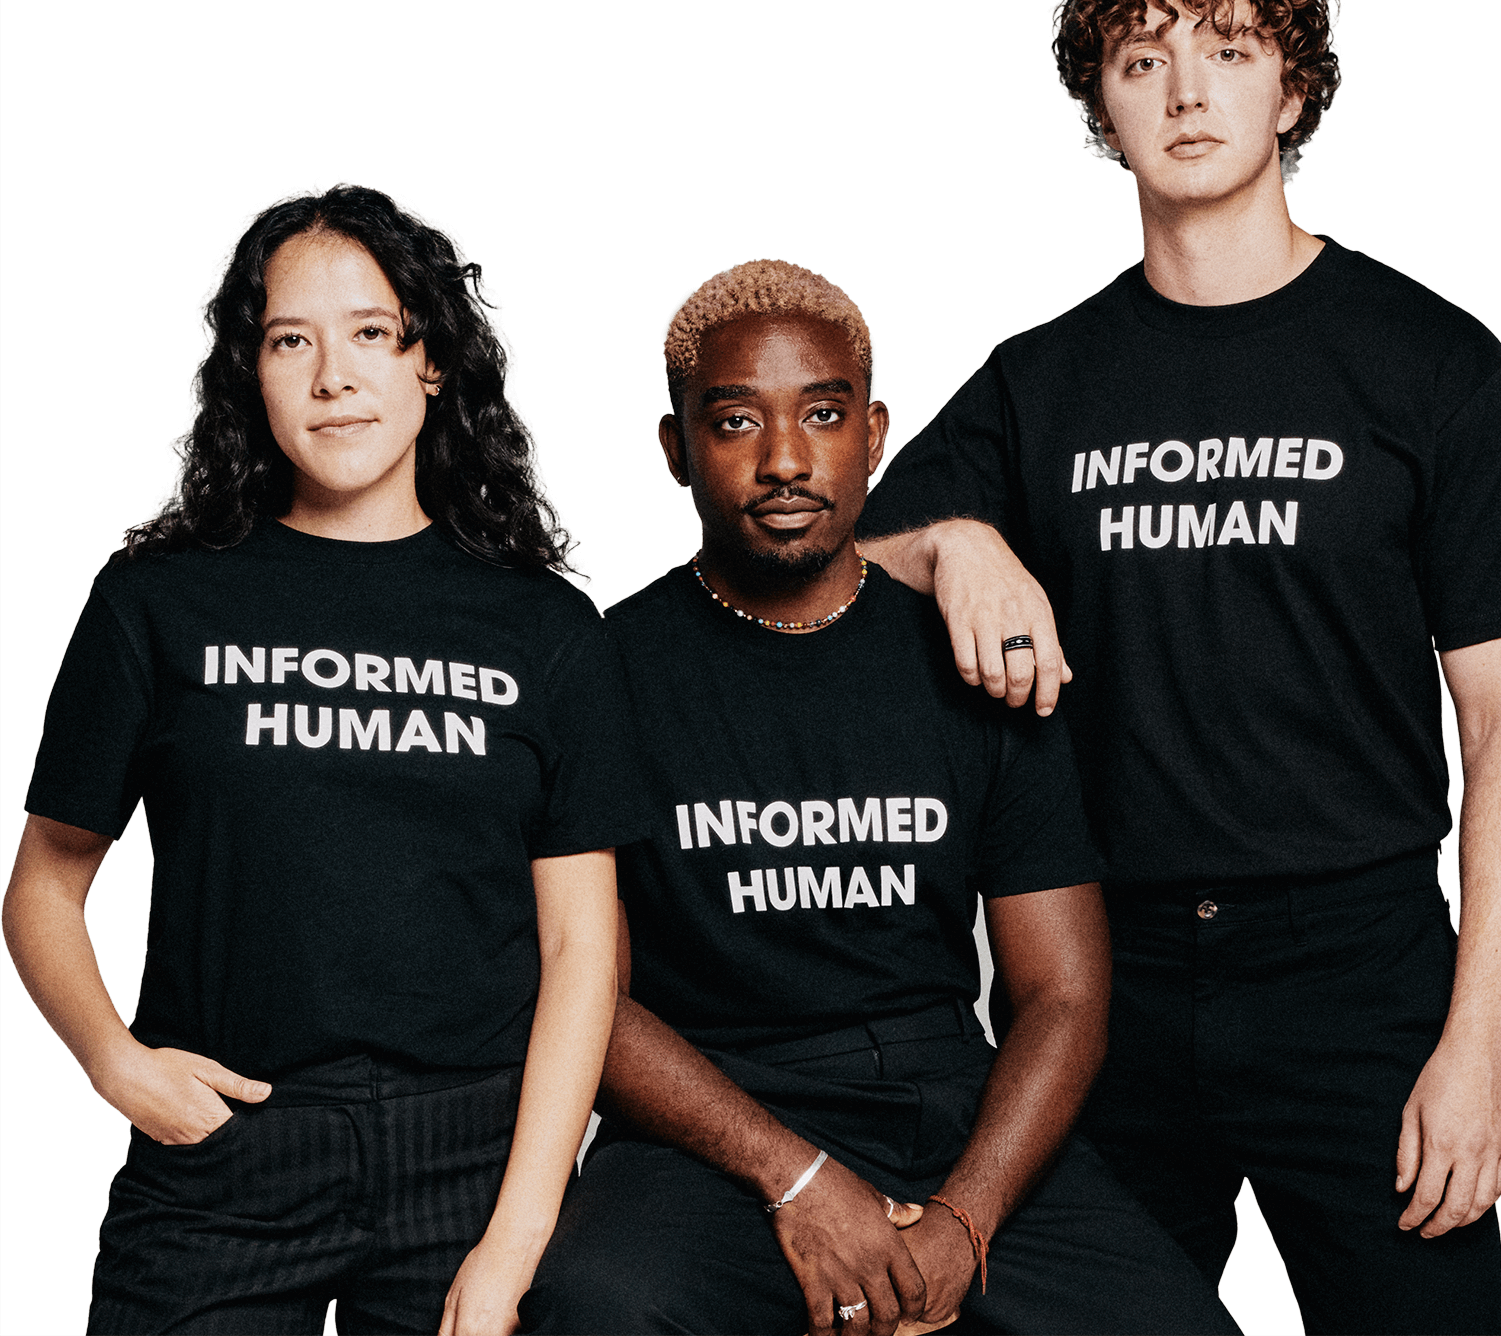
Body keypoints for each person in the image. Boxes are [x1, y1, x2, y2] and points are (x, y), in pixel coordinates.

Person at [855, 0, 1501, 1335]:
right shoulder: (1040, 377)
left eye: (1229, 51)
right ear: (1098, 107)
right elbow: (847, 557)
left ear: (1291, 87)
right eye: (1140, 60)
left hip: (1359, 970)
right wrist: (965, 537)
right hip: (1099, 983)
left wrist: (1483, 1042)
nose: (1187, 93)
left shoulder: (1434, 363)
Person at [519, 258, 1238, 1336]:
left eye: (821, 412)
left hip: (947, 1103)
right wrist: (796, 1180)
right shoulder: (600, 672)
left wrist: (964, 1220)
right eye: (732, 422)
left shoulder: (974, 657)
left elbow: (1062, 995)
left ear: (875, 431)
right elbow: (591, 1000)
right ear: (673, 448)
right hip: (709, 1119)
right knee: (597, 1303)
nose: (783, 460)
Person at [2, 182, 642, 1336]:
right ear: (249, 370)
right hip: (226, 1154)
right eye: (291, 339)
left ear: (431, 361)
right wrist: (113, 1063)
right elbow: (44, 883)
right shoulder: (158, 601)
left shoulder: (543, 628)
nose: (332, 377)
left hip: (474, 1156)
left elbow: (581, 945)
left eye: (369, 334)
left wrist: (512, 1242)